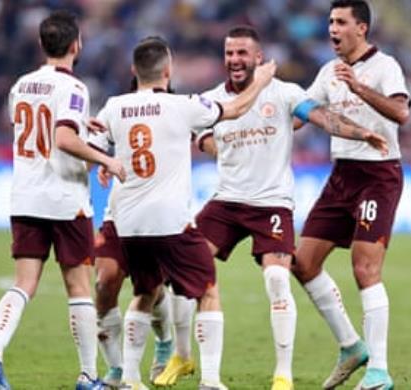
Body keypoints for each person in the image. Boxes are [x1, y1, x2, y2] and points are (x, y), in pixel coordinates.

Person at [154, 26, 388, 390]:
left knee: (278, 277)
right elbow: (201, 138)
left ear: (258, 58)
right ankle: (182, 357)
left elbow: (322, 116)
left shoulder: (285, 93)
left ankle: (283, 375)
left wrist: (361, 133)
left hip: (272, 204)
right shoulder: (212, 99)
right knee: (183, 273)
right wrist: (222, 147)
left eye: (242, 53)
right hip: (226, 201)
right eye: (229, 53)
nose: (234, 60)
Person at [91, 36, 275, 390]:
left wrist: (104, 163)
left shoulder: (114, 106)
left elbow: (93, 144)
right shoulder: (182, 105)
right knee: (207, 290)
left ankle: (129, 377)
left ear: (134, 71)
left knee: (144, 293)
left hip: (129, 223)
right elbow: (234, 108)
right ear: (168, 70)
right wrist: (263, 81)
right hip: (171, 222)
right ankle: (209, 379)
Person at [0, 10, 125, 390]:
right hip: (64, 198)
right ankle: (89, 376)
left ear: (42, 44)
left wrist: (80, 130)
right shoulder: (74, 88)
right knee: (78, 286)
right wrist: (106, 157)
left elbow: (35, 131)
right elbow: (61, 140)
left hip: (25, 195)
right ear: (77, 45)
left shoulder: (21, 85)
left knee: (23, 283)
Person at [292, 1, 411, 389]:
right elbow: (301, 113)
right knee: (303, 263)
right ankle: (350, 346)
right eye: (329, 22)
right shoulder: (328, 71)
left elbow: (401, 112)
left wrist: (358, 87)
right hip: (341, 175)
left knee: (365, 269)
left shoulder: (385, 66)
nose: (332, 29)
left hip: (378, 175)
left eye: (340, 22)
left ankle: (379, 371)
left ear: (361, 28)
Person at [90, 171, 176, 387]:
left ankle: (165, 343)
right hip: (116, 215)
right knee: (104, 283)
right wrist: (103, 160)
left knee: (150, 287)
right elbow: (99, 141)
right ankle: (116, 368)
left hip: (155, 212)